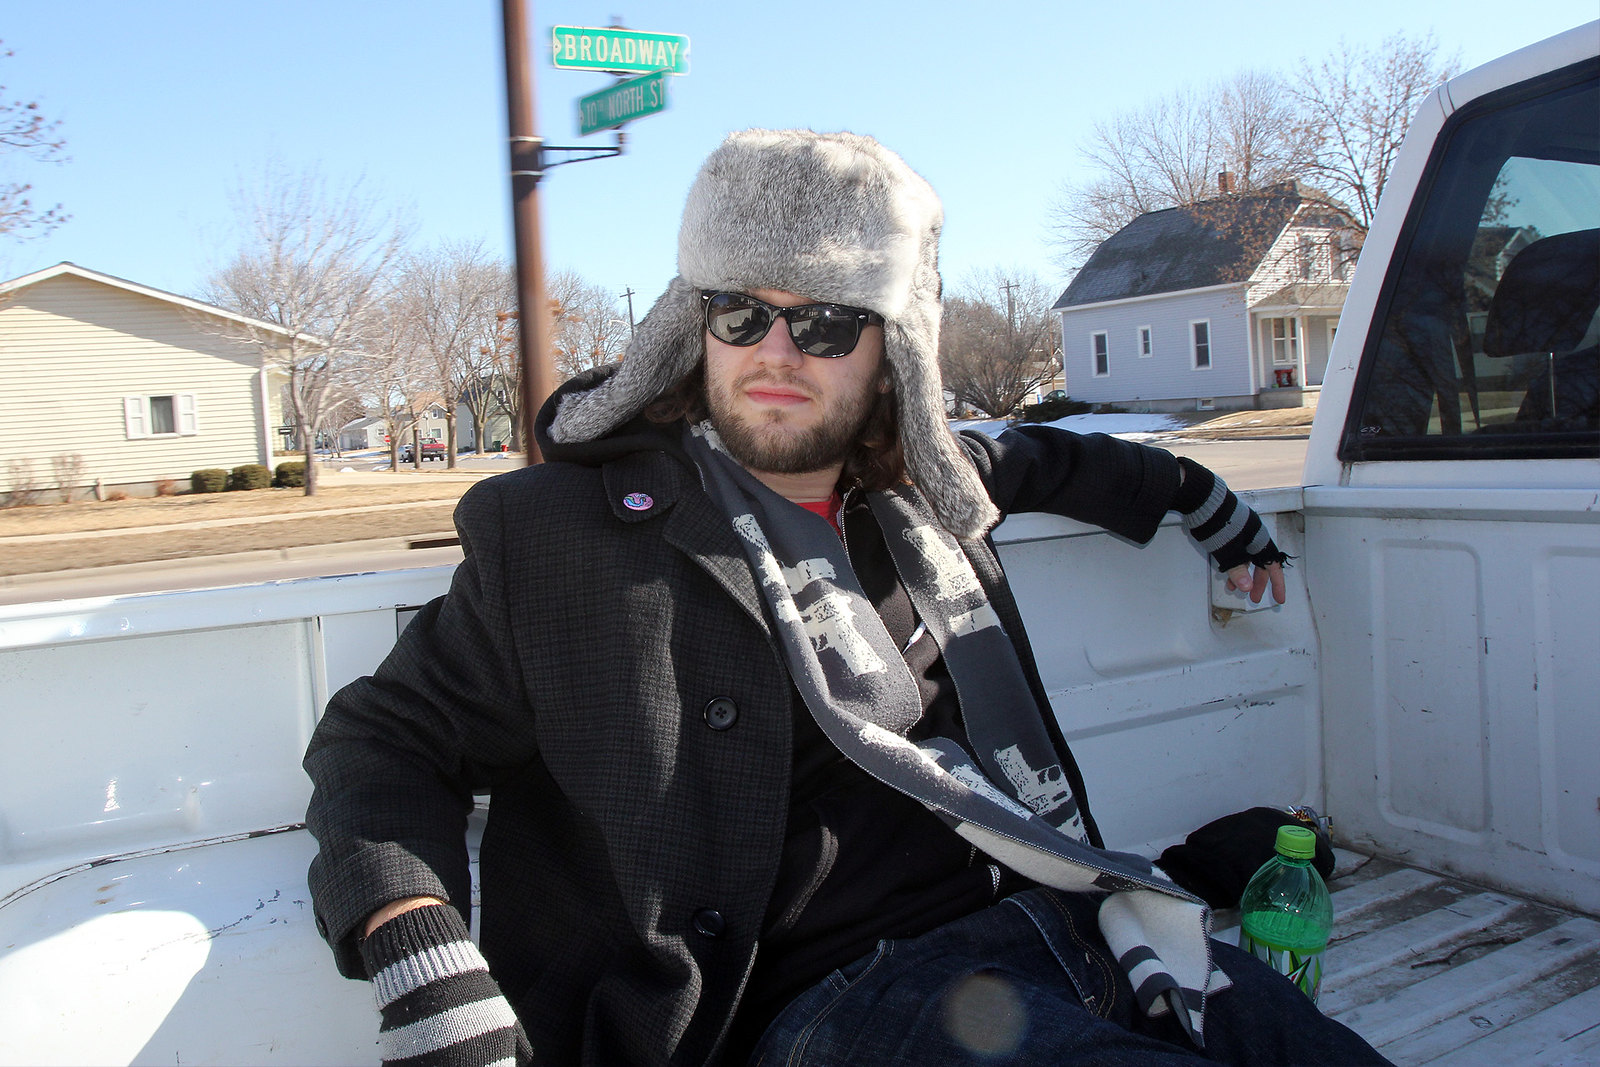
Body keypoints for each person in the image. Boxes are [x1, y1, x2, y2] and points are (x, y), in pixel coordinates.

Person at [304, 129, 1387, 1067]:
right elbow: (381, 741)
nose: (776, 351)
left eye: (826, 323)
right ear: (692, 326)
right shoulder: (561, 535)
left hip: (1073, 921)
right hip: (838, 1004)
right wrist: (423, 964)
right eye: (740, 313)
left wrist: (1205, 501)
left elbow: (1065, 461)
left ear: (891, 353)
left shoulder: (926, 488)